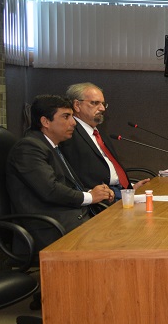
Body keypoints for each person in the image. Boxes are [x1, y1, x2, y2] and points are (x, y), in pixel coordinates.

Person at [6, 94, 113, 252]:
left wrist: (95, 192)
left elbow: (68, 185)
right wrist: (90, 197)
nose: (73, 122)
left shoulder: (52, 146)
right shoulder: (29, 148)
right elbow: (50, 190)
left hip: (70, 220)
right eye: (66, 116)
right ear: (45, 122)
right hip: (49, 230)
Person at [60, 82, 147, 199]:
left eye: (103, 104)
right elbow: (72, 177)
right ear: (77, 105)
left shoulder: (99, 133)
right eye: (95, 103)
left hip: (120, 191)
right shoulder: (69, 134)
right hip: (101, 198)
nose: (102, 108)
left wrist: (130, 188)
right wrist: (90, 194)